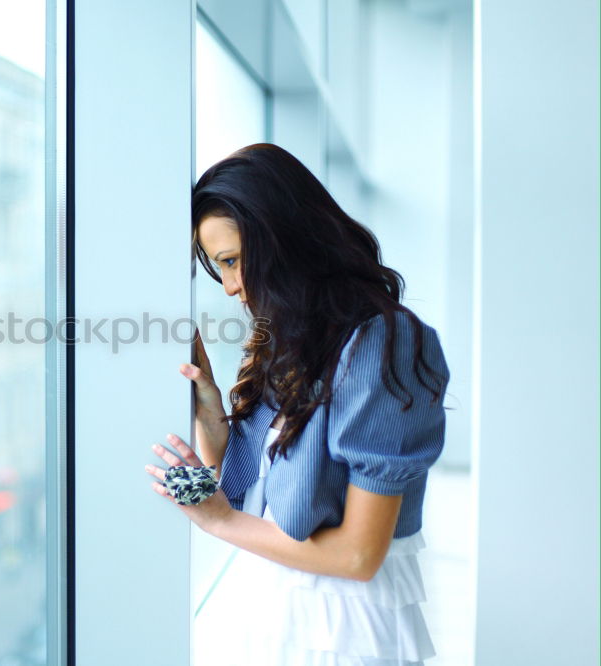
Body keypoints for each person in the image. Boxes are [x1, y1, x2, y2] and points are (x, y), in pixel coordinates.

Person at [145, 143, 451, 665]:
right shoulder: (294, 340)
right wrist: (212, 412)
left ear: (284, 238)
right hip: (278, 604)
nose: (230, 286)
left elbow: (358, 555)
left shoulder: (385, 341)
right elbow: (256, 497)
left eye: (233, 261)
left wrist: (216, 521)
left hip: (343, 625)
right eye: (220, 267)